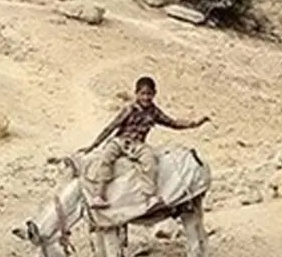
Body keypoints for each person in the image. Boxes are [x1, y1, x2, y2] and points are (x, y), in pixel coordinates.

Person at [82, 76, 210, 209]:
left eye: (149, 94)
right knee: (106, 158)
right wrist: (94, 145)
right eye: (142, 94)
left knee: (150, 161)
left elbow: (173, 123)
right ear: (136, 94)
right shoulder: (129, 109)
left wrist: (194, 123)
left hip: (138, 145)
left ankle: (150, 196)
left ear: (154, 94)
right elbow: (111, 127)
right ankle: (99, 195)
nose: (146, 97)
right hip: (120, 140)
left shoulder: (154, 112)